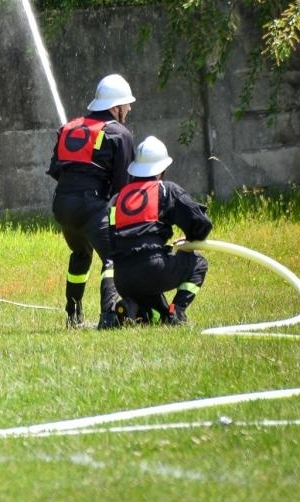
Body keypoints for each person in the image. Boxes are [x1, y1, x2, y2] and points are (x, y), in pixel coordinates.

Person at [47, 73, 137, 329]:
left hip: (62, 205)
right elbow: (123, 186)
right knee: (113, 257)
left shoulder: (69, 128)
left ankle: (73, 315)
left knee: (80, 253)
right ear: (114, 107)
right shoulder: (119, 134)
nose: (129, 108)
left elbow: (56, 169)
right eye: (126, 104)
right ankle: (109, 316)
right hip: (90, 206)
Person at [110, 135, 212, 325]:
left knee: (156, 317)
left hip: (123, 278)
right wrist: (190, 241)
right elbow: (201, 223)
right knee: (198, 264)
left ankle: (133, 308)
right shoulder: (166, 190)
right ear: (162, 170)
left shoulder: (118, 198)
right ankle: (177, 313)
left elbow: (110, 238)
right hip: (153, 270)